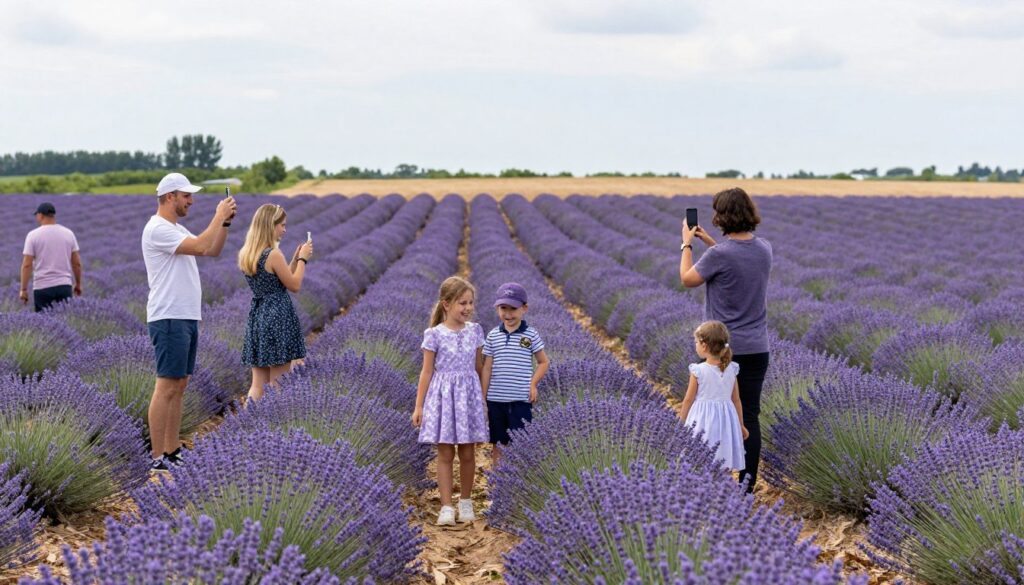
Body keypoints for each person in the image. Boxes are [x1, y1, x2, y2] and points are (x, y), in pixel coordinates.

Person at [679, 187, 772, 491]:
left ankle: (708, 483)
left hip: (721, 351)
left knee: (708, 413)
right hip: (757, 348)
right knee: (749, 418)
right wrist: (710, 243)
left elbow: (687, 279)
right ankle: (745, 489)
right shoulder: (764, 249)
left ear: (723, 216)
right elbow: (737, 259)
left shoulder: (719, 255)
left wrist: (687, 245)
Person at [143, 172, 236, 473]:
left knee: (180, 385)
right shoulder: (158, 228)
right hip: (168, 315)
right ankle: (158, 456)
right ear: (170, 196)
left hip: (184, 315)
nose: (191, 201)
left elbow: (212, 249)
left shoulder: (175, 227)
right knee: (166, 385)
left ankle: (172, 450)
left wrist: (224, 222)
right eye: (186, 196)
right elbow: (199, 246)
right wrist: (217, 214)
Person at [411, 276, 489, 526]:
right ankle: (446, 506)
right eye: (461, 303)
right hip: (442, 398)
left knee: (467, 452)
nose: (467, 308)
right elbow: (426, 372)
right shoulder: (434, 334)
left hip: (468, 396)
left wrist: (484, 400)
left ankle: (465, 501)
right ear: (446, 305)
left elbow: (479, 367)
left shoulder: (475, 331)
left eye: (470, 303)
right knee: (444, 453)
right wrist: (419, 405)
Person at [238, 204, 313, 400]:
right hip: (278, 317)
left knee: (258, 384)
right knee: (279, 383)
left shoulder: (248, 253)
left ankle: (248, 425)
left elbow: (277, 279)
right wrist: (304, 260)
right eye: (282, 225)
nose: (285, 229)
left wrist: (295, 259)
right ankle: (273, 425)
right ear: (270, 226)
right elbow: (294, 285)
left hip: (259, 316)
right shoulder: (273, 254)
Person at [480, 282, 549, 468]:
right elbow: (487, 367)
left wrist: (533, 384)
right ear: (497, 309)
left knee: (520, 444)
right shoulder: (493, 335)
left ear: (524, 309)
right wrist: (483, 396)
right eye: (503, 308)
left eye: (513, 309)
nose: (508, 314)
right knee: (498, 444)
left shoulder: (530, 335)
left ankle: (517, 483)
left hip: (520, 399)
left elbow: (544, 362)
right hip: (496, 399)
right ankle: (498, 485)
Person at [678, 321, 748, 472]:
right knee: (724, 457)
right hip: (727, 421)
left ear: (704, 346)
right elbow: (736, 400)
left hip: (702, 420)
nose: (695, 345)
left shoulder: (698, 370)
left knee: (699, 458)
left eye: (696, 342)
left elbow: (688, 400)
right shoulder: (731, 369)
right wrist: (740, 425)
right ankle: (723, 491)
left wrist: (681, 424)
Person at [20, 202, 82, 311]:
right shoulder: (68, 233)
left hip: (42, 287)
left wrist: (23, 289)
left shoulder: (33, 235)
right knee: (65, 322)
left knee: (44, 324)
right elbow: (76, 263)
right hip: (64, 285)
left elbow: (27, 265)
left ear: (41, 215)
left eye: (36, 215)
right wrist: (78, 284)